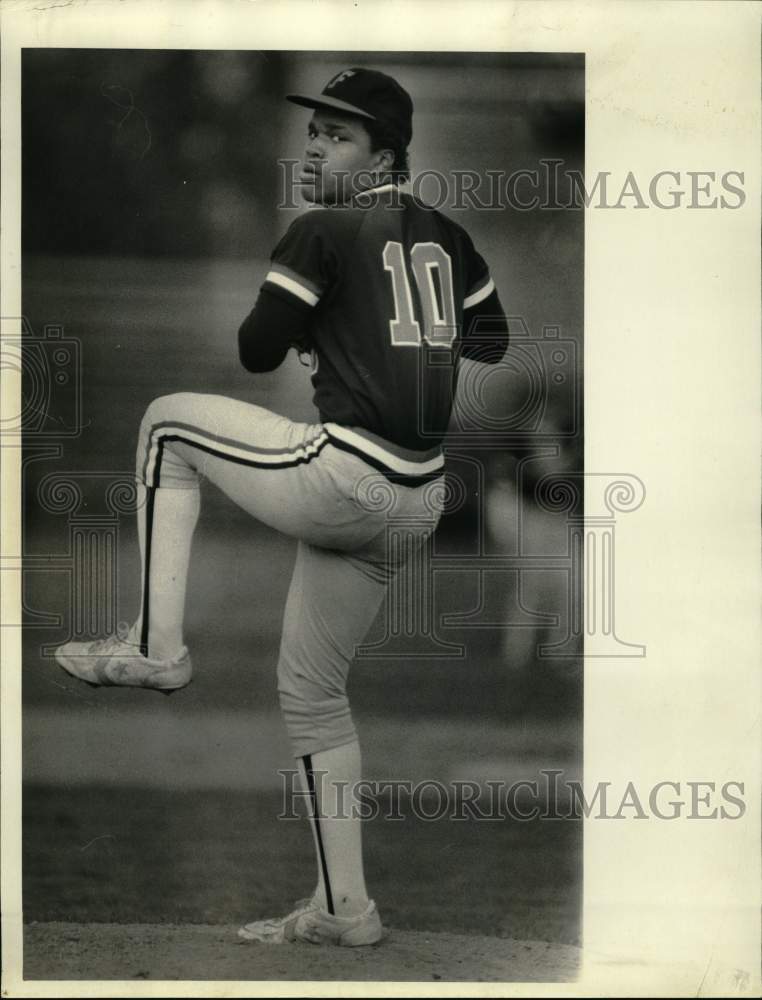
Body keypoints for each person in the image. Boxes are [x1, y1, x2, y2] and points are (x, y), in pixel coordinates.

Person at [55, 66, 509, 947]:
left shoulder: (321, 229)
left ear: (385, 156)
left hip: (347, 475)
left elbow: (256, 349)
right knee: (313, 694)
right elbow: (490, 340)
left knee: (164, 426)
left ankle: (154, 646)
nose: (315, 147)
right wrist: (386, 329)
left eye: (339, 136)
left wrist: (323, 308)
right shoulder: (448, 235)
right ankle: (346, 910)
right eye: (314, 131)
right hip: (417, 497)